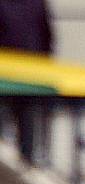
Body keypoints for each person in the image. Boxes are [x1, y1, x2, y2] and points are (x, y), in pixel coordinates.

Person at [0, 0, 54, 164]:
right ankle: (24, 162)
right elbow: (47, 39)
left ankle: (24, 163)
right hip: (15, 78)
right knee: (26, 127)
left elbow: (46, 37)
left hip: (23, 78)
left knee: (26, 125)